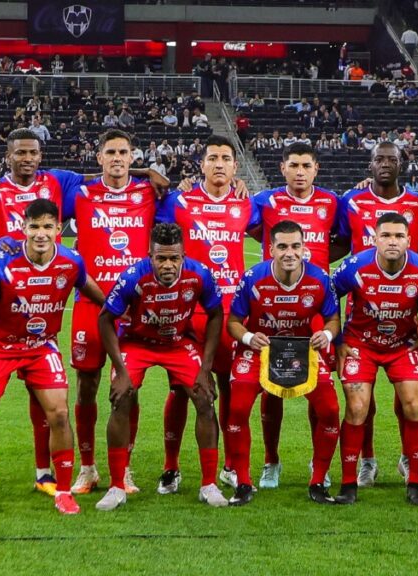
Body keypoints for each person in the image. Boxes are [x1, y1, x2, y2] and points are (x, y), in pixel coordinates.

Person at [0, 128, 137, 500]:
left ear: (41, 155)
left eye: (33, 152)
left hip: (43, 310)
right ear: (8, 156)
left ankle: (44, 472)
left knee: (46, 401)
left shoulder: (57, 182)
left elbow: (106, 176)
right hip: (6, 306)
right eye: (20, 153)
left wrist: (148, 176)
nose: (27, 158)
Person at [0, 199, 105, 517]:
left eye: (47, 227)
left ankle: (64, 493)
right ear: (24, 228)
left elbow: (95, 293)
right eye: (34, 227)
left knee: (59, 414)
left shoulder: (71, 261)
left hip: (41, 347)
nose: (41, 234)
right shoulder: (0, 261)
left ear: (59, 229)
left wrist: (120, 311)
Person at [95, 223, 228, 510]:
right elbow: (105, 318)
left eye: (174, 258)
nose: (168, 265)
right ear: (150, 256)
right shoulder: (133, 277)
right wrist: (120, 370)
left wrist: (206, 369)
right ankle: (117, 486)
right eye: (161, 258)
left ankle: (209, 484)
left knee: (205, 399)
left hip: (178, 342)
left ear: (183, 255)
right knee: (121, 399)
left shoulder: (200, 273)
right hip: (137, 342)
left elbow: (216, 314)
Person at [155, 135, 259, 489]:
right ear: (200, 164)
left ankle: (230, 465)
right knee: (183, 390)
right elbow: (143, 205)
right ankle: (171, 467)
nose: (218, 164)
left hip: (231, 315)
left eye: (225, 158)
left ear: (235, 166)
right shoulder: (179, 201)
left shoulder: (248, 204)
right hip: (188, 312)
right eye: (212, 157)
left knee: (232, 389)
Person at [66, 130, 161, 496]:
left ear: (132, 156)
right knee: (87, 385)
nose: (118, 158)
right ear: (99, 157)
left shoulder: (148, 194)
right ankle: (87, 467)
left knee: (128, 389)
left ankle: (126, 467)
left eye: (124, 152)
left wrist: (148, 174)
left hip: (133, 307)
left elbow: (174, 191)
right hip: (91, 303)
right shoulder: (82, 194)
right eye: (111, 152)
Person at [332, 142, 418, 487]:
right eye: (379, 159)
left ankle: (408, 458)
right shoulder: (352, 201)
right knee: (361, 401)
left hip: (404, 316)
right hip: (361, 310)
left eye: (392, 159)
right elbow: (340, 243)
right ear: (369, 164)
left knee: (410, 399)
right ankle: (367, 461)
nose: (385, 164)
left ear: (403, 164)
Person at [225, 221, 342, 506]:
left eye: (295, 246)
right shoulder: (253, 278)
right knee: (237, 408)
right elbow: (233, 322)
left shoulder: (320, 280)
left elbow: (334, 319)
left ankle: (318, 480)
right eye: (282, 246)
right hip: (261, 350)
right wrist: (250, 337)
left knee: (330, 410)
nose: (289, 253)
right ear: (270, 249)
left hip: (303, 350)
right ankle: (243, 482)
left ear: (304, 248)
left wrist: (325, 334)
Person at [249, 143, 341, 489]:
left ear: (316, 169)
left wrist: (319, 270)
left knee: (319, 388)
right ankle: (271, 461)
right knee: (271, 388)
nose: (300, 171)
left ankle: (320, 464)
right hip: (272, 305)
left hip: (316, 307)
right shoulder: (264, 201)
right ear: (282, 168)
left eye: (306, 165)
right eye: (293, 165)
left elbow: (346, 239)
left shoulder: (332, 202)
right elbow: (243, 223)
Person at [331, 213, 418, 506]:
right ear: (375, 239)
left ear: (408, 240)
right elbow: (329, 296)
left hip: (402, 345)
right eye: (386, 236)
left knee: (414, 405)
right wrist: (338, 341)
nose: (393, 242)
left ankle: (415, 481)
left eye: (399, 236)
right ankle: (349, 483)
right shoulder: (355, 266)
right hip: (359, 345)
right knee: (357, 407)